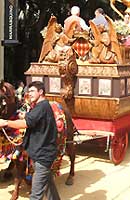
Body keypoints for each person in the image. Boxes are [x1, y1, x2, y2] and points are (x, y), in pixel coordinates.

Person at [0, 81, 61, 200]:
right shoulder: (40, 107)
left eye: (32, 91)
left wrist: (6, 122)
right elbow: (31, 118)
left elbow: (26, 123)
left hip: (42, 156)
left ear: (41, 92)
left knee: (35, 195)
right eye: (29, 91)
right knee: (50, 189)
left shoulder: (41, 107)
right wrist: (24, 116)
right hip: (42, 154)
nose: (30, 94)